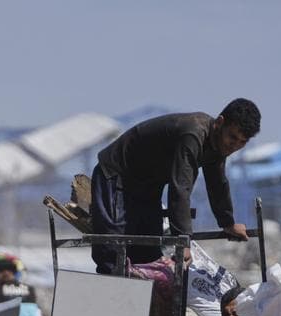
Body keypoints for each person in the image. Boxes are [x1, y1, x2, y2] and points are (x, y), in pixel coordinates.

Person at [90, 100, 261, 275]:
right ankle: (112, 299)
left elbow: (217, 183)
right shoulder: (193, 134)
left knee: (147, 256)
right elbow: (180, 187)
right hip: (117, 176)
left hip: (147, 188)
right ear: (219, 123)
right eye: (232, 137)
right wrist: (182, 241)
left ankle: (141, 301)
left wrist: (227, 223)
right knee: (113, 253)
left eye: (242, 142)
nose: (234, 146)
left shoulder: (218, 146)